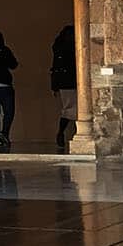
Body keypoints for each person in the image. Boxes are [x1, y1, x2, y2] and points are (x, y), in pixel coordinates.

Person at [50, 24, 77, 152]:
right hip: (69, 82)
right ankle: (63, 133)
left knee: (70, 109)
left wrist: (54, 85)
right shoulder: (65, 49)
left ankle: (62, 133)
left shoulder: (59, 48)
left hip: (66, 82)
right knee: (70, 109)